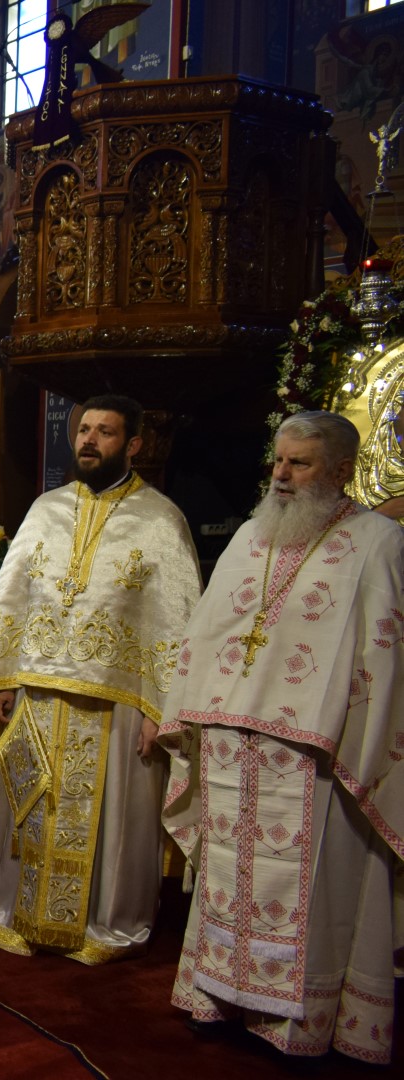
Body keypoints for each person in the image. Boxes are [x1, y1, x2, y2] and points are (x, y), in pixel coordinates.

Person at [162, 411, 404, 1062]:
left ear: (342, 470)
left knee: (309, 887)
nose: (281, 474)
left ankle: (297, 1024)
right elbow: (205, 630)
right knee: (225, 880)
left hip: (315, 757)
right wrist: (187, 713)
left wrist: (365, 743)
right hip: (228, 744)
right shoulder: (250, 535)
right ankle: (218, 998)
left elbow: (384, 654)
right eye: (278, 459)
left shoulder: (377, 540)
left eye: (299, 463)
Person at [0, 394, 201, 964]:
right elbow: (13, 598)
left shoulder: (163, 520)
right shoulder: (46, 509)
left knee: (112, 818)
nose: (89, 440)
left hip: (118, 706)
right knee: (29, 803)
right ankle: (12, 909)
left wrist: (165, 710)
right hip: (36, 694)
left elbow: (177, 625)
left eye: (104, 432)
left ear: (132, 444)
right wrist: (1, 679)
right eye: (84, 430)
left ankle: (101, 923)